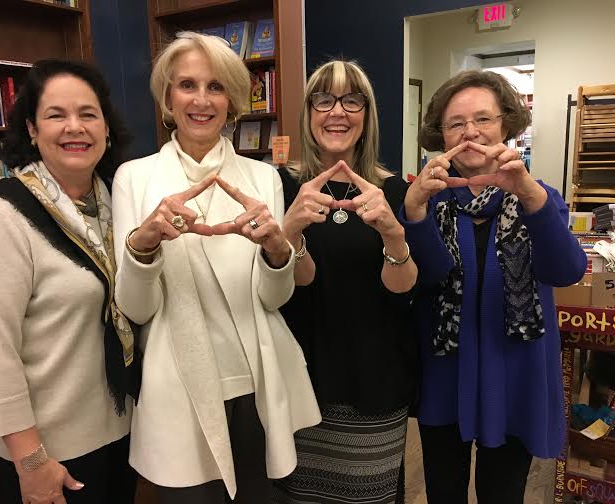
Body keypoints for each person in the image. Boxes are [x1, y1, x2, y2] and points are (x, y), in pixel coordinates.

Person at [111, 32, 321, 503]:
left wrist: (275, 250)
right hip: (178, 385)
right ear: (167, 97)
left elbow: (275, 299)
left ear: (233, 100)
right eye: (187, 85)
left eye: (216, 87)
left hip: (258, 380)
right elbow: (136, 310)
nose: (201, 100)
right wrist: (143, 248)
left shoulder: (264, 177)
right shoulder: (135, 178)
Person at [399, 69, 587, 504]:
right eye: (456, 124)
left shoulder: (540, 196)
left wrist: (528, 194)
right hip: (445, 374)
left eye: (482, 119)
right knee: (443, 491)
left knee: (503, 493)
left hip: (516, 375)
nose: (471, 133)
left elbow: (567, 271)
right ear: (441, 136)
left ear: (506, 125)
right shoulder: (428, 201)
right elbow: (423, 279)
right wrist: (414, 214)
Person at [0, 59, 138, 503]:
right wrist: (31, 460)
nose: (74, 127)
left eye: (88, 114)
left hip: (118, 432)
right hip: (44, 452)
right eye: (56, 115)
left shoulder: (121, 204)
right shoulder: (3, 215)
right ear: (32, 130)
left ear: (107, 129)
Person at [273, 60, 419, 504]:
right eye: (324, 99)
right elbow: (294, 282)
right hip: (301, 378)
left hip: (373, 381)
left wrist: (393, 234)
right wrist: (290, 230)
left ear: (367, 114)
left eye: (351, 100)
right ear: (309, 112)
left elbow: (404, 290)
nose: (337, 111)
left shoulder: (395, 192)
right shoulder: (279, 186)